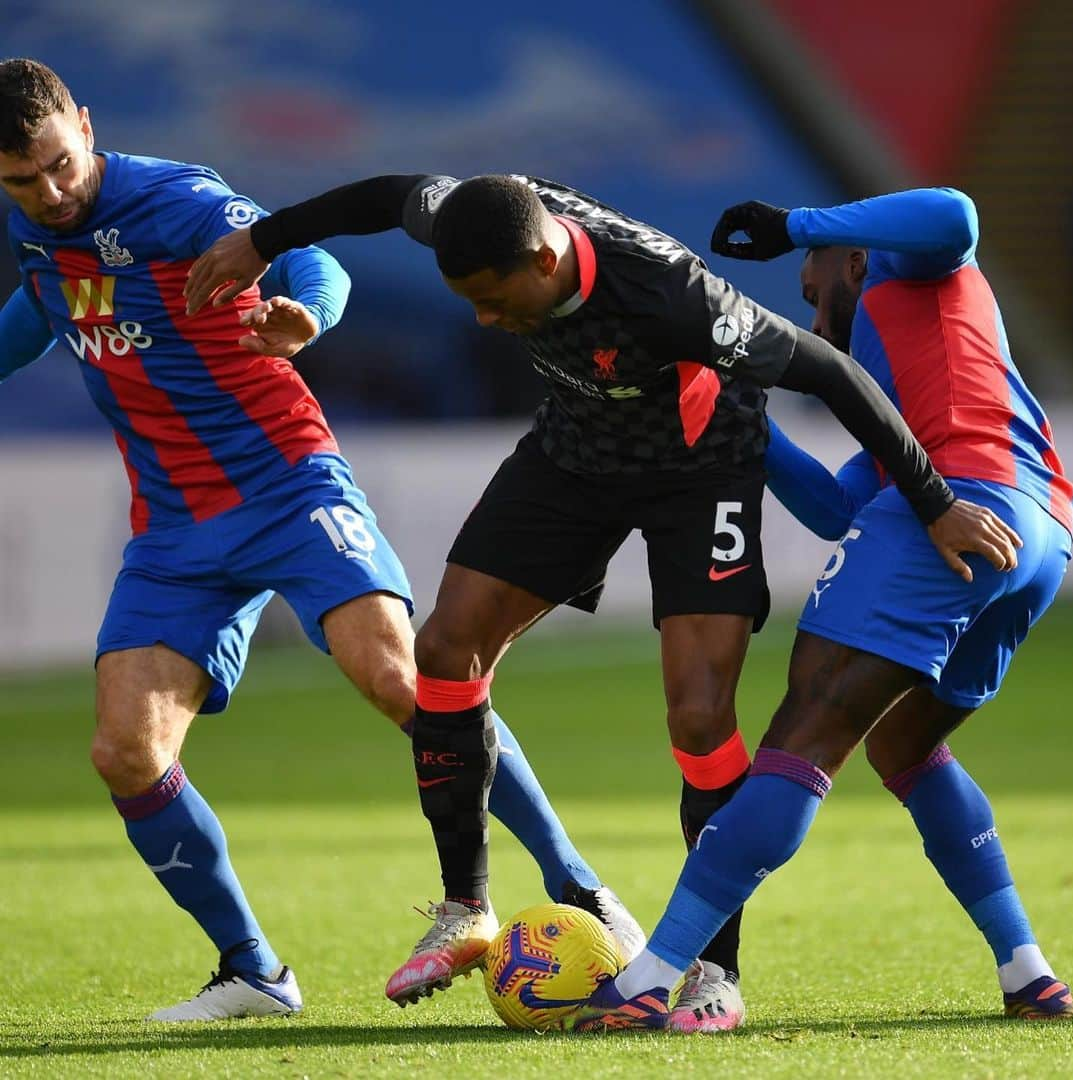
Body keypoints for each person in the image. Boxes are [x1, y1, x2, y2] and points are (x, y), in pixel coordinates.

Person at [185, 173, 1019, 1032]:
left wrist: (934, 502)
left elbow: (834, 374)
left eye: (491, 298)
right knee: (443, 649)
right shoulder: (477, 216)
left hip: (702, 471)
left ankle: (713, 975)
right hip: (576, 456)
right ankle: (465, 908)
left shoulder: (674, 296)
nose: (482, 318)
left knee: (700, 717)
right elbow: (383, 197)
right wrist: (264, 240)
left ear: (545, 259)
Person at [0, 59, 645, 1023]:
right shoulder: (34, 231)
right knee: (125, 752)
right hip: (174, 530)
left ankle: (583, 888)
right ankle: (252, 970)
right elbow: (41, 315)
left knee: (404, 685)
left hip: (288, 486)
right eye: (23, 180)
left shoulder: (171, 201)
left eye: (60, 165)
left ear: (86, 126)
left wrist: (309, 315)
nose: (51, 193)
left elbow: (312, 258)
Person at [567, 187, 1073, 1030]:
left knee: (799, 742)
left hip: (961, 508)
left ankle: (651, 978)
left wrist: (794, 226)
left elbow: (955, 214)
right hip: (1038, 534)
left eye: (811, 289)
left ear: (853, 257)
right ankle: (1028, 970)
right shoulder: (902, 369)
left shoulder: (904, 268)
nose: (818, 317)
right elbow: (845, 510)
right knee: (906, 746)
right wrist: (745, 421)